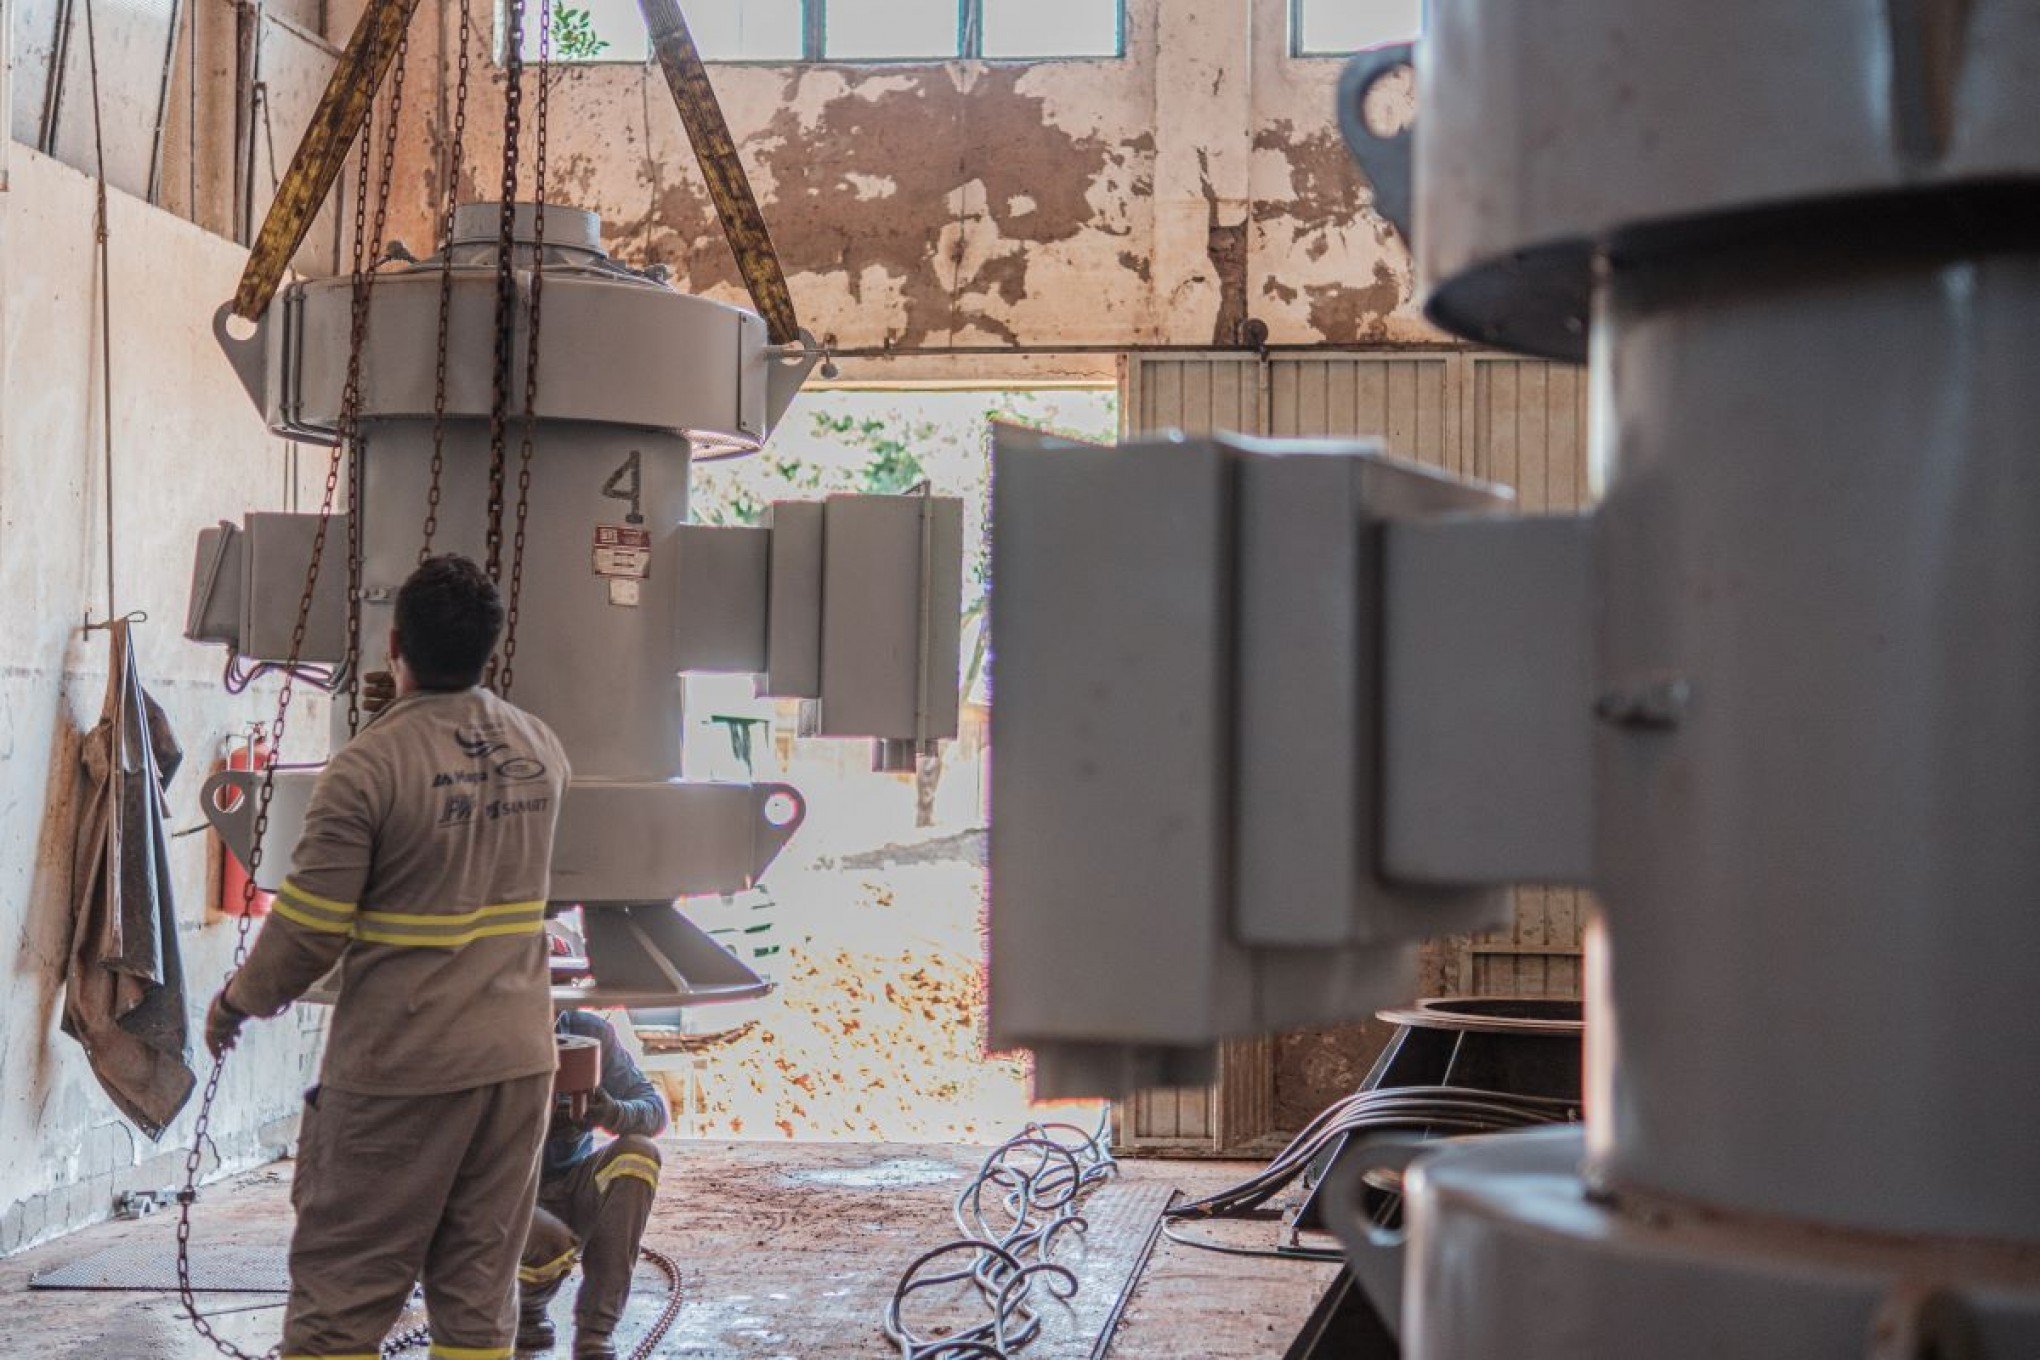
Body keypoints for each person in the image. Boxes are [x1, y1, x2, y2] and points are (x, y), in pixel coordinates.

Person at [205, 555, 571, 1360]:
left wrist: (238, 1003)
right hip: (516, 1065)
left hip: (403, 1067)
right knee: (479, 1301)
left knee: (342, 1299)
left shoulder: (368, 769)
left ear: (394, 643)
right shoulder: (541, 750)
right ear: (491, 648)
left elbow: (308, 930)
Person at [517, 1010, 669, 1359]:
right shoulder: (476, 1030)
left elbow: (653, 1109)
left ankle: (595, 1333)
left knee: (639, 1153)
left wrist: (612, 1112)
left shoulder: (589, 1034)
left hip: (568, 1187)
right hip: (502, 1197)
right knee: (545, 1239)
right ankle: (525, 1306)